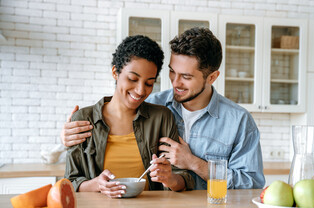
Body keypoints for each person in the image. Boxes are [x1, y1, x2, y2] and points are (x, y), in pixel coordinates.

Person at [62, 28, 265, 190]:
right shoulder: (152, 105)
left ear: (211, 77)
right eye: (171, 72)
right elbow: (112, 111)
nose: (175, 83)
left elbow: (253, 183)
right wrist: (67, 137)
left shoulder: (239, 121)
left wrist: (194, 163)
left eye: (186, 77)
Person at [64, 35, 194, 198]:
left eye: (149, 83)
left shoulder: (161, 117)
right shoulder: (84, 119)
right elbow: (70, 182)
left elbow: (184, 179)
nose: (140, 90)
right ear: (115, 72)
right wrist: (97, 184)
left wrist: (170, 179)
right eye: (133, 79)